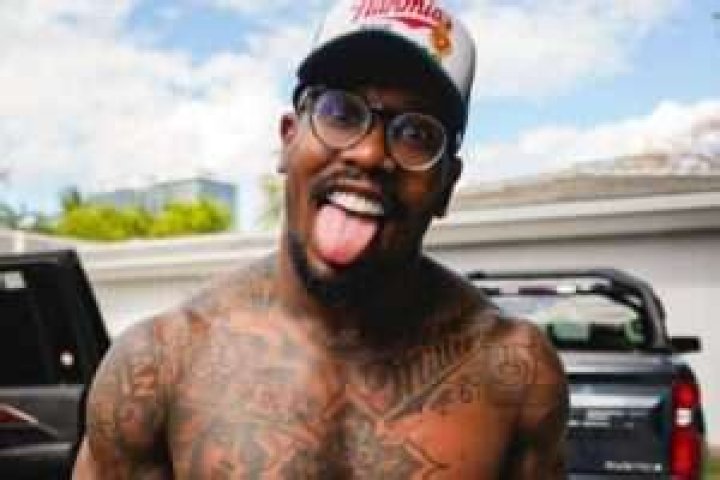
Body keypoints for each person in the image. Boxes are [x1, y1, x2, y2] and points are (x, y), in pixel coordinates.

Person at [72, 0, 568, 478]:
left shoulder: (515, 371)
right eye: (341, 112)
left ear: (446, 185)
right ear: (288, 138)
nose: (370, 154)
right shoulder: (158, 365)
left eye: (416, 134)